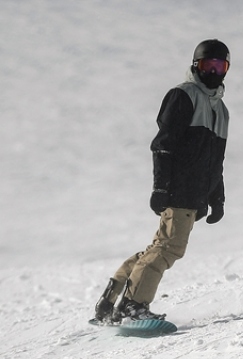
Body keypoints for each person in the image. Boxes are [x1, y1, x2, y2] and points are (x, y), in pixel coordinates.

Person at [93, 39, 230, 324]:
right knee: (169, 248)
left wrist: (217, 196)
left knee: (159, 246)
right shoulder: (184, 96)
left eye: (220, 66)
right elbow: (163, 146)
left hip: (194, 194)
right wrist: (160, 187)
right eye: (209, 65)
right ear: (196, 65)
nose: (214, 72)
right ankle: (133, 306)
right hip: (179, 188)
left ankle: (110, 299)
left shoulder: (221, 111)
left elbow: (215, 160)